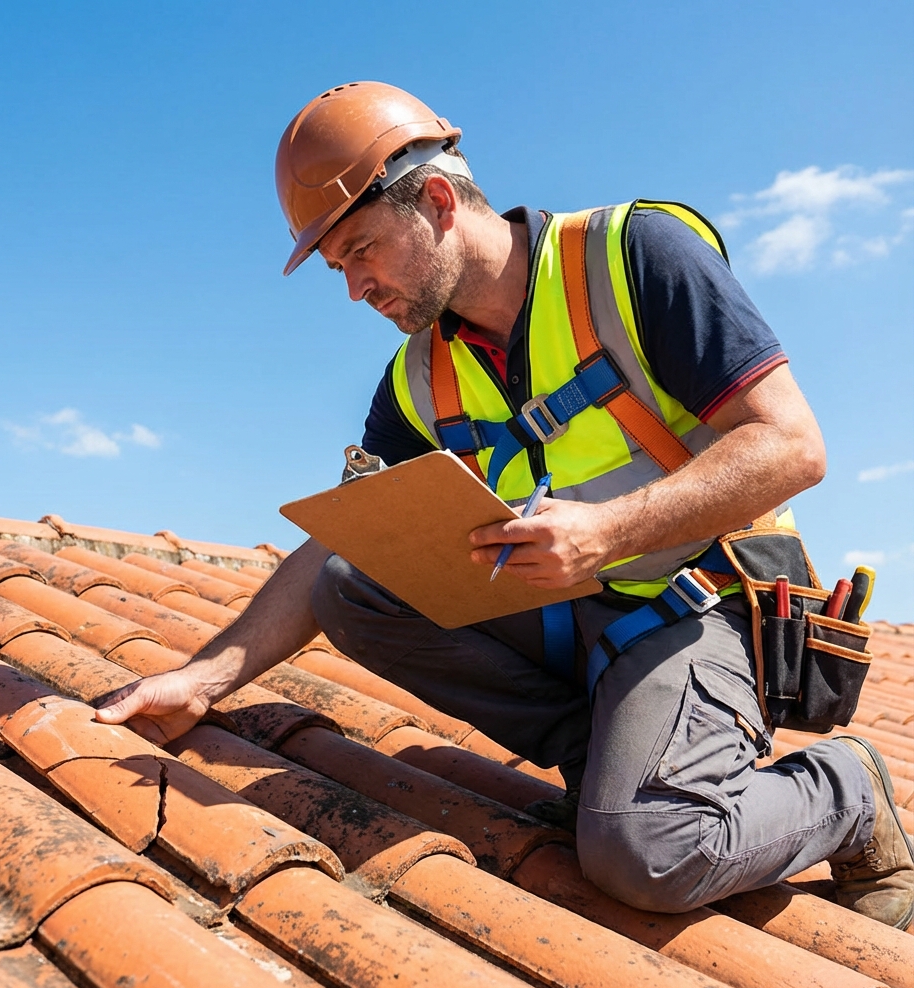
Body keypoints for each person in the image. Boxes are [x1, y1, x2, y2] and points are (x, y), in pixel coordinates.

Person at [98, 82, 913, 928]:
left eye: (363, 250)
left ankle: (847, 791)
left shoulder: (634, 258)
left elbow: (792, 445)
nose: (356, 289)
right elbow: (348, 540)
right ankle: (602, 761)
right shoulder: (418, 379)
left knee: (649, 854)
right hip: (572, 613)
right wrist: (201, 680)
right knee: (350, 581)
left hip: (704, 605)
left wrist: (608, 531)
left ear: (438, 201)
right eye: (339, 268)